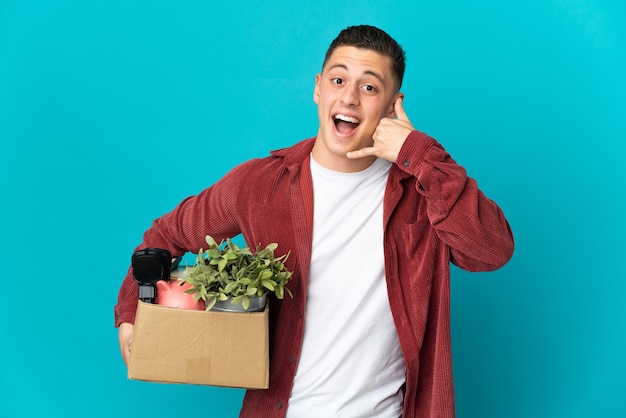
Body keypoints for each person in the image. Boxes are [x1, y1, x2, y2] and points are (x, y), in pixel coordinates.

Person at [115, 24, 514, 418]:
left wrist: (419, 153)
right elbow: (166, 235)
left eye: (369, 87)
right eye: (339, 80)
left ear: (394, 105)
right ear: (318, 88)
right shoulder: (260, 184)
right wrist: (132, 314)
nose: (350, 97)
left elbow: (491, 250)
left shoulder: (421, 192)